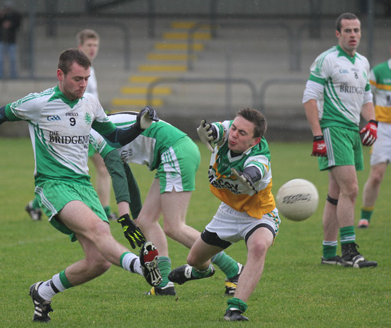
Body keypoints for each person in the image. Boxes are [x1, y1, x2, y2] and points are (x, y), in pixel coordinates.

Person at [0, 49, 162, 323]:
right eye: (77, 79)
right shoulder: (39, 103)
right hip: (53, 185)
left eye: (86, 78)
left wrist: (139, 125)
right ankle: (143, 267)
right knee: (99, 230)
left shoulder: (91, 104)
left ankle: (42, 291)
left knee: (98, 262)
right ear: (60, 75)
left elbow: (116, 138)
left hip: (83, 187)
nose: (82, 84)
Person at [89, 112, 242, 297]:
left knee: (174, 227)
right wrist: (135, 216)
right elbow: (126, 177)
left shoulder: (94, 133)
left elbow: (118, 175)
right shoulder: (99, 126)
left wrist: (123, 217)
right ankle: (163, 284)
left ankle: (234, 270)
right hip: (174, 152)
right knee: (146, 220)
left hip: (175, 151)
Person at [168, 108, 280, 322]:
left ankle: (235, 309)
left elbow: (257, 168)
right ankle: (200, 272)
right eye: (235, 129)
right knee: (194, 259)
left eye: (242, 133)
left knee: (258, 246)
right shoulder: (231, 132)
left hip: (259, 214)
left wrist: (249, 175)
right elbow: (218, 130)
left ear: (255, 141)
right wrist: (210, 130)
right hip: (228, 213)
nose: (235, 135)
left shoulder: (260, 157)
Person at [302, 13, 378, 268]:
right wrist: (317, 135)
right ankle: (349, 252)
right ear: (338, 34)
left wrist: (372, 123)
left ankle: (328, 253)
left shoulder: (363, 63)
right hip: (333, 129)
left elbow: (367, 98)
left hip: (351, 131)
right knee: (352, 189)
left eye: (356, 30)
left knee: (336, 193)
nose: (353, 34)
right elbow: (309, 98)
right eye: (348, 31)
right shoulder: (327, 60)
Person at [25, 28, 117, 221]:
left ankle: (35, 204)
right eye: (89, 45)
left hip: (89, 124)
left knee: (95, 167)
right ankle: (105, 210)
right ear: (80, 46)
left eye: (96, 45)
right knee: (97, 167)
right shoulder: (73, 70)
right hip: (81, 126)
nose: (93, 49)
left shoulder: (89, 69)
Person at [358, 44, 391, 228]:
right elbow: (365, 97)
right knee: (377, 175)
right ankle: (365, 216)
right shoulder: (379, 72)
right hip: (385, 129)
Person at [0, 0, 21, 78]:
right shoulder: (1, 14)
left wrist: (10, 24)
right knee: (0, 59)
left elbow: (18, 24)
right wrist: (0, 16)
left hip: (11, 40)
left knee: (12, 59)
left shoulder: (15, 15)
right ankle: (0, 74)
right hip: (1, 39)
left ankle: (13, 75)